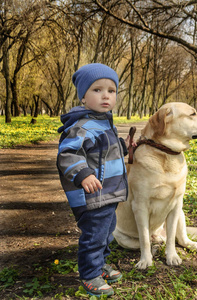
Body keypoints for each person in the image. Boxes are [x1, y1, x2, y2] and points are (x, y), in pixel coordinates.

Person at [57, 63, 129, 297]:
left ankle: (100, 265)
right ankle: (89, 275)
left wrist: (126, 147)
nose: (106, 95)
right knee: (94, 235)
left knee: (107, 231)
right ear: (83, 97)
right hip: (93, 194)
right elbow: (68, 154)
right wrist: (83, 174)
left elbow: (106, 152)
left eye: (111, 90)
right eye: (97, 90)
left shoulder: (104, 122)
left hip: (108, 192)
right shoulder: (82, 126)